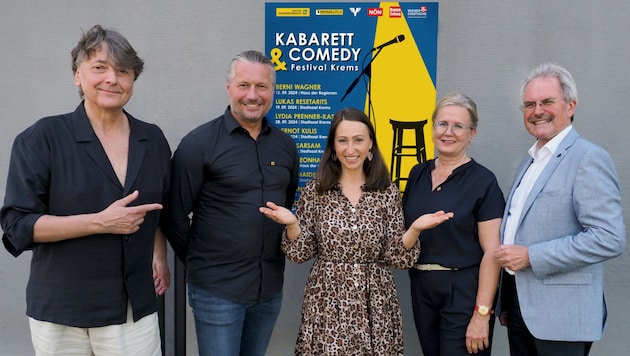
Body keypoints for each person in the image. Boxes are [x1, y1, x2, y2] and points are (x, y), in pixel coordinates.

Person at [0, 25, 171, 356]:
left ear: (133, 80)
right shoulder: (42, 138)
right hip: (62, 312)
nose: (112, 78)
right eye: (99, 67)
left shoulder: (152, 140)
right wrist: (99, 222)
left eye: (123, 70)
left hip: (132, 310)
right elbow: (17, 225)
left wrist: (159, 254)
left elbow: (159, 207)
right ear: (78, 76)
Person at [259, 107, 454, 355]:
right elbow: (300, 253)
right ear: (333, 146)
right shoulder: (316, 190)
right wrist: (292, 224)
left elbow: (397, 257)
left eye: (358, 140)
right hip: (327, 300)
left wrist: (414, 229)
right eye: (343, 141)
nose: (351, 149)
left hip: (376, 301)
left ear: (371, 143)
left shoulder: (386, 191)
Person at [164, 50, 299, 356]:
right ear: (229, 88)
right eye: (243, 85)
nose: (253, 95)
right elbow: (174, 215)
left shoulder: (286, 146)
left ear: (273, 90)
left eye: (262, 86)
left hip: (268, 290)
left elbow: (287, 209)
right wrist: (203, 261)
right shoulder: (199, 144)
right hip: (217, 291)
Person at [494, 63, 625, 356]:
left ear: (570, 105)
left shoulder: (588, 158)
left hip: (562, 317)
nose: (537, 110)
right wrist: (507, 299)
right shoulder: (529, 161)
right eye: (529, 104)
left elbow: (609, 238)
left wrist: (532, 256)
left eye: (547, 102)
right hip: (520, 308)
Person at [402, 92, 505, 355]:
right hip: (422, 286)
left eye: (458, 126)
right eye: (442, 124)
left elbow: (493, 253)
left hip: (463, 290)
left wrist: (482, 313)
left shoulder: (484, 181)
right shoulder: (418, 173)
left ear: (472, 134)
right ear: (433, 127)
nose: (449, 132)